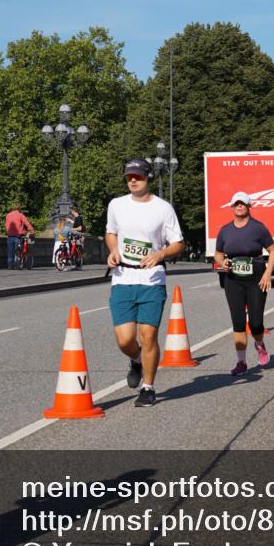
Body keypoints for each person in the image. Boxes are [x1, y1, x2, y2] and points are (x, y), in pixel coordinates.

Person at [106, 158, 184, 407]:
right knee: (124, 340)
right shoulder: (116, 205)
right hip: (122, 278)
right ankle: (137, 360)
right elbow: (111, 233)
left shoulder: (163, 208)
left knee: (148, 335)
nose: (132, 180)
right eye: (129, 176)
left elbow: (178, 243)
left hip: (152, 280)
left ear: (148, 177)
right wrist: (113, 250)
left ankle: (148, 387)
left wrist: (161, 254)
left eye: (137, 176)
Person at [214, 191, 274, 375]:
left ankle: (259, 343)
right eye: (236, 204)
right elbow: (219, 253)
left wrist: (267, 273)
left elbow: (272, 251)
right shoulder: (225, 230)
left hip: (255, 277)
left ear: (249, 207)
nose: (239, 206)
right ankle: (241, 362)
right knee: (238, 321)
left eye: (243, 204)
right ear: (232, 207)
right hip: (233, 279)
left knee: (256, 323)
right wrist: (221, 262)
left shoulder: (258, 228)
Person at [5, 203, 34, 270]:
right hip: (18, 236)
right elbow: (27, 223)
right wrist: (32, 230)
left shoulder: (8, 215)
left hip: (9, 236)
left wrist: (8, 232)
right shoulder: (20, 215)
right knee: (19, 251)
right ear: (19, 209)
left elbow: (6, 226)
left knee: (10, 251)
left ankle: (10, 266)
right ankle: (17, 264)